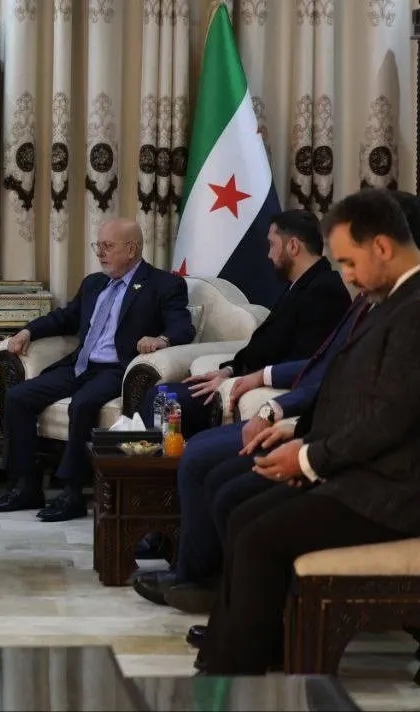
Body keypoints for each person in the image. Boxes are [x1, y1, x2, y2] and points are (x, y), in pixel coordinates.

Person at [135, 190, 420, 616]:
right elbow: (330, 372)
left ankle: (210, 585)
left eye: (354, 255)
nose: (349, 272)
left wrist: (290, 428)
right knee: (210, 464)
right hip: (314, 431)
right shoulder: (362, 298)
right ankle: (204, 580)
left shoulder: (364, 300)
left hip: (364, 475)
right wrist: (244, 382)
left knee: (214, 473)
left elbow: (375, 409)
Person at [0, 218, 195, 523]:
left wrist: (161, 339)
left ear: (132, 249)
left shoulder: (163, 284)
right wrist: (28, 331)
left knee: (83, 403)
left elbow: (182, 327)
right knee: (19, 396)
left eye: (108, 246)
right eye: (98, 245)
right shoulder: (94, 283)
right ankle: (26, 485)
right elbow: (65, 318)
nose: (100, 253)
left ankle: (72, 493)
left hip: (117, 369)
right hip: (80, 365)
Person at [137, 210, 349, 436]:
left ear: (293, 246)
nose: (269, 255)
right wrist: (227, 370)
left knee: (164, 398)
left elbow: (304, 361)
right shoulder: (299, 285)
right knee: (160, 395)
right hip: (241, 377)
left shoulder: (324, 291)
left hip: (263, 388)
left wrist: (240, 379)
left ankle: (155, 458)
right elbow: (266, 346)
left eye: (272, 244)